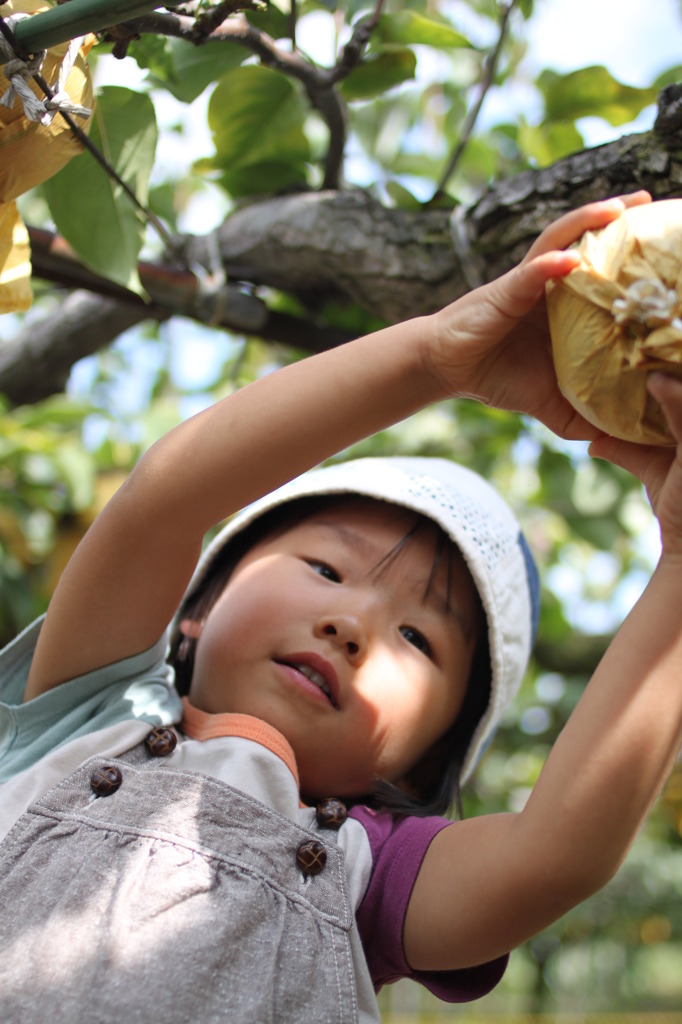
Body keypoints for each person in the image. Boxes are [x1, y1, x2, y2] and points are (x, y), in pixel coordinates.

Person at [1, 190, 681, 1023]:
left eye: (417, 638)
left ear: (422, 767)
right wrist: (431, 360)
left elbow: (559, 854)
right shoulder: (85, 714)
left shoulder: (377, 879)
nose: (351, 625)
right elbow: (164, 498)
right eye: (324, 568)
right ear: (197, 608)